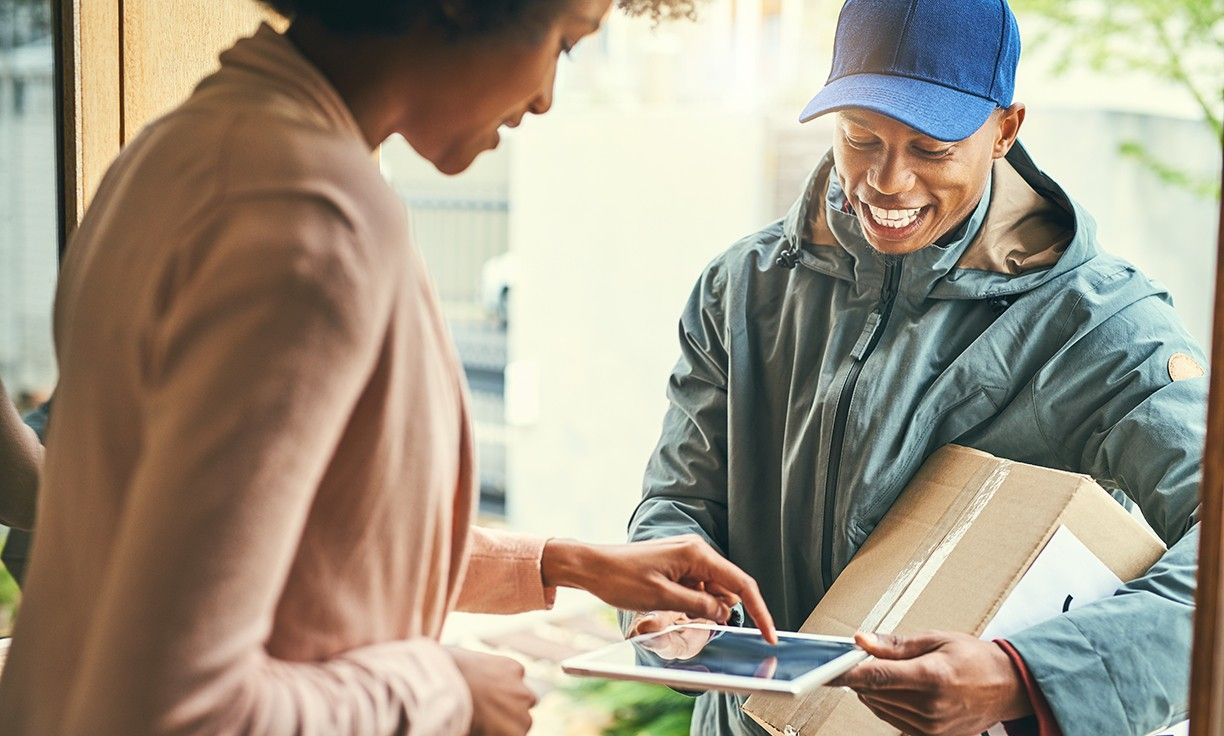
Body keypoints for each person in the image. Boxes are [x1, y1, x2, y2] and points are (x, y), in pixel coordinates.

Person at [0, 1, 778, 734]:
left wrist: (568, 564)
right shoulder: (309, 218)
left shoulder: (183, 149)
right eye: (563, 42)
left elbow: (311, 538)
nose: (546, 98)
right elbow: (182, 706)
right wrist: (443, 691)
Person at [623, 1, 1203, 734]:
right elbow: (679, 501)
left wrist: (1027, 675)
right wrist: (663, 598)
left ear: (1005, 129)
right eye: (859, 137)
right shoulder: (742, 287)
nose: (887, 182)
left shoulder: (1103, 329)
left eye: (931, 149)